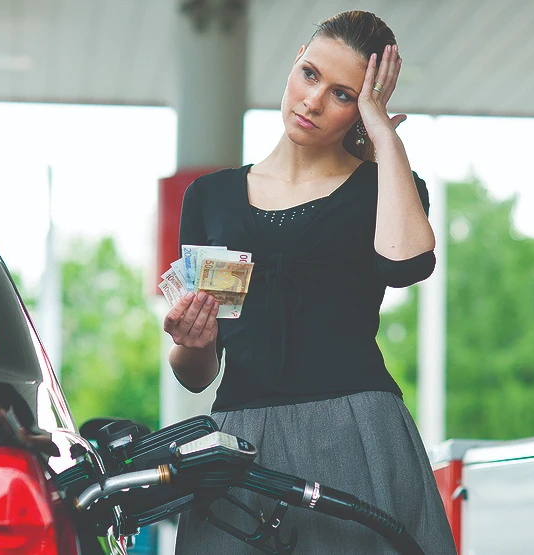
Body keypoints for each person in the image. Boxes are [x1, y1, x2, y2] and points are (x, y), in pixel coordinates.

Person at [163, 10, 457, 554]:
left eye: (344, 95)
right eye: (311, 74)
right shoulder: (210, 197)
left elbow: (407, 265)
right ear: (296, 60)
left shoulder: (386, 186)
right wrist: (191, 341)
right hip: (239, 444)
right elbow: (195, 376)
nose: (313, 101)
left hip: (357, 436)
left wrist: (382, 133)